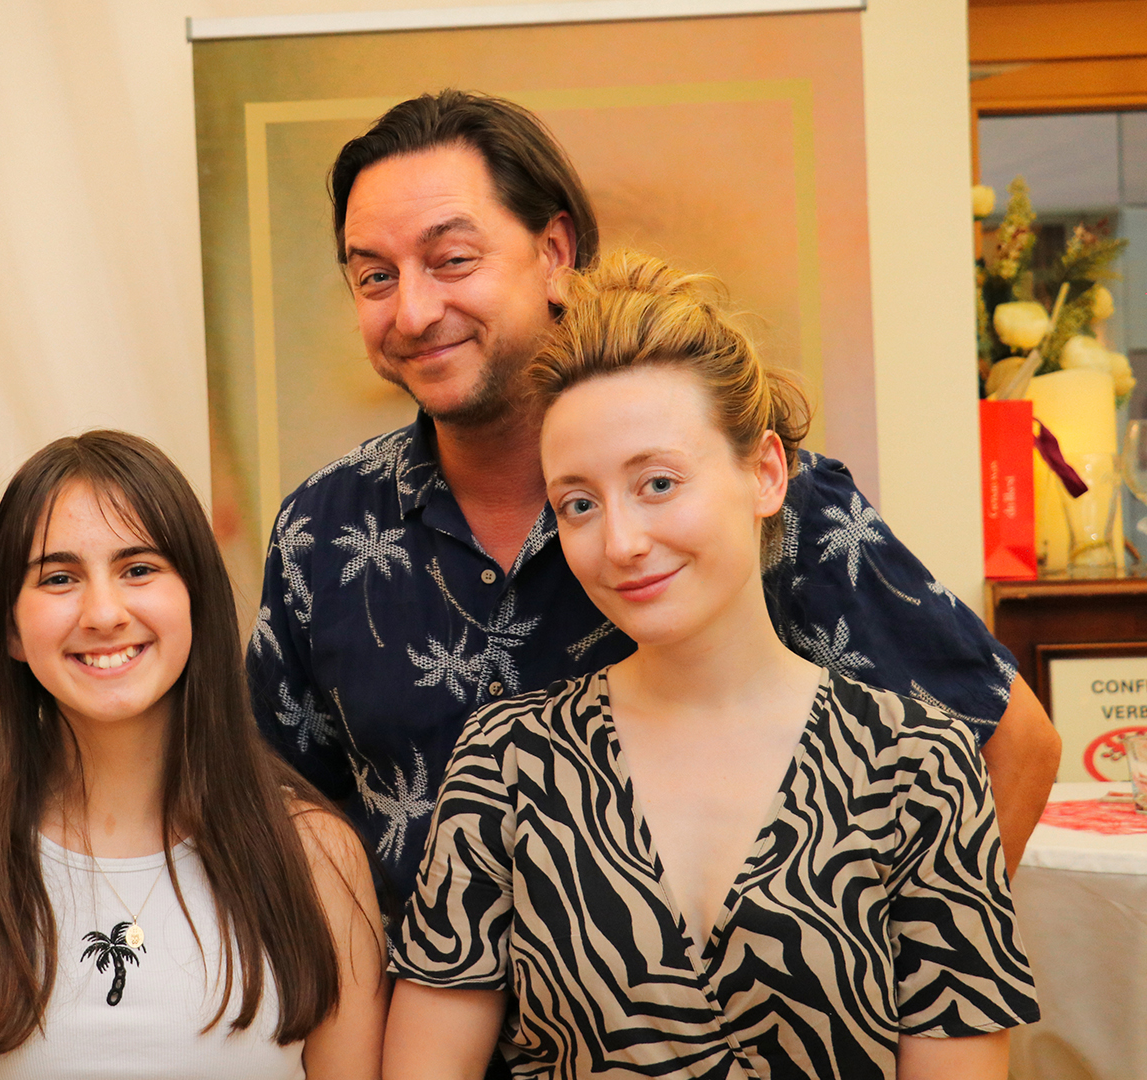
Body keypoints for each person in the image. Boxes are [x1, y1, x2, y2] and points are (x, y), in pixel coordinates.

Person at [248, 91, 1059, 911]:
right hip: (415, 995)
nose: (415, 311)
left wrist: (905, 966)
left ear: (555, 253)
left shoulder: (755, 505)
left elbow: (1011, 743)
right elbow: (279, 809)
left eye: (452, 259)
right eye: (375, 277)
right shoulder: (323, 530)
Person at [384, 254, 1038, 1079]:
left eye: (658, 483)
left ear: (764, 473)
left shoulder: (920, 766)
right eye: (578, 504)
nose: (621, 542)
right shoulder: (509, 762)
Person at [0, 430, 387, 1079]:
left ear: (198, 598)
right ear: (10, 626)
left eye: (138, 569)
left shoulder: (316, 855)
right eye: (59, 578)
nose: (103, 613)